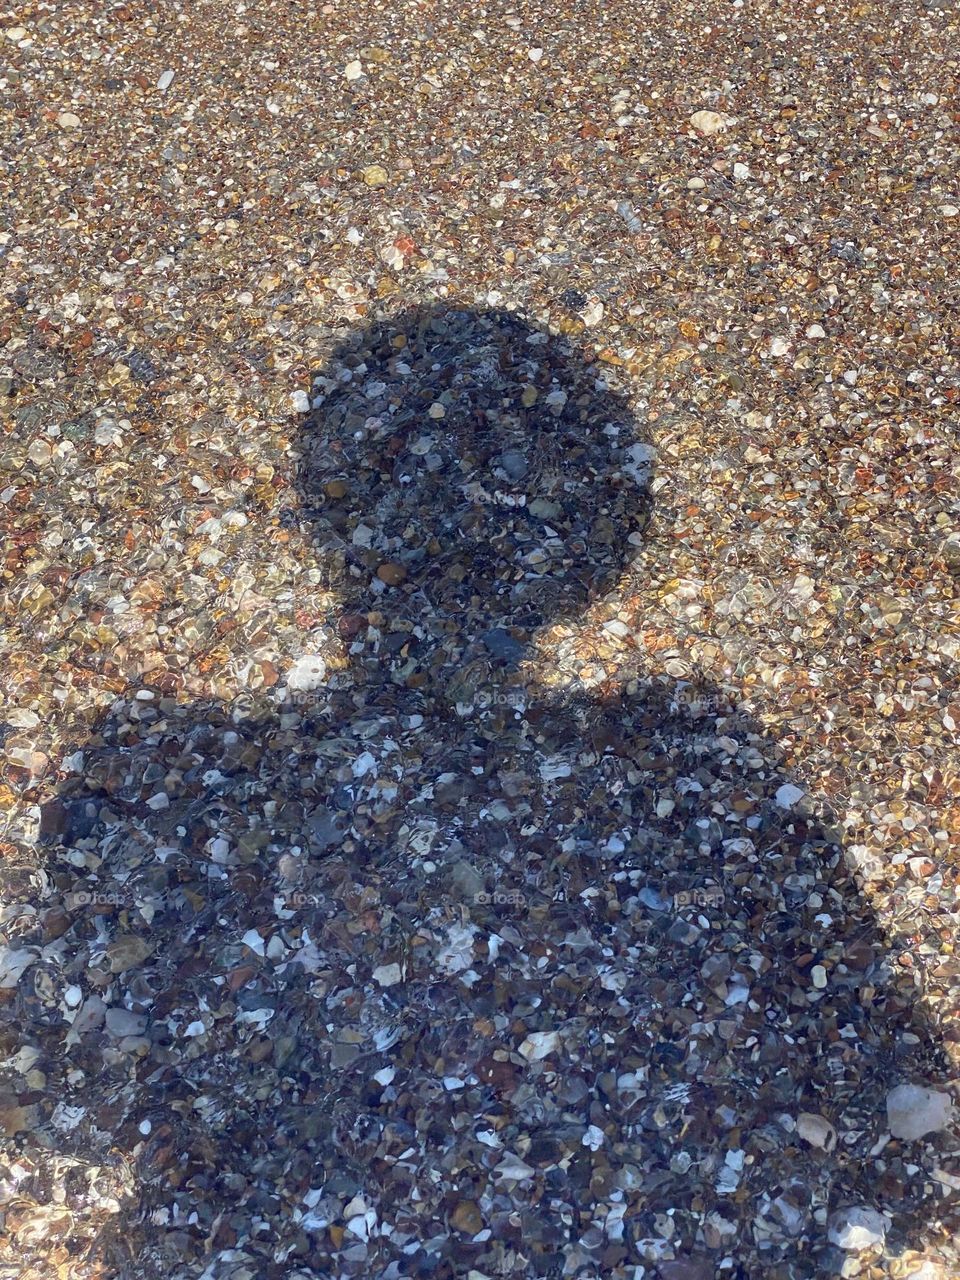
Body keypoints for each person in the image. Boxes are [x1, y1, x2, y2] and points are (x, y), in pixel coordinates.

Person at [13, 307, 951, 1279]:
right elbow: (901, 1134)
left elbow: (48, 1100)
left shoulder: (156, 774)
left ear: (308, 514)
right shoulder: (685, 754)